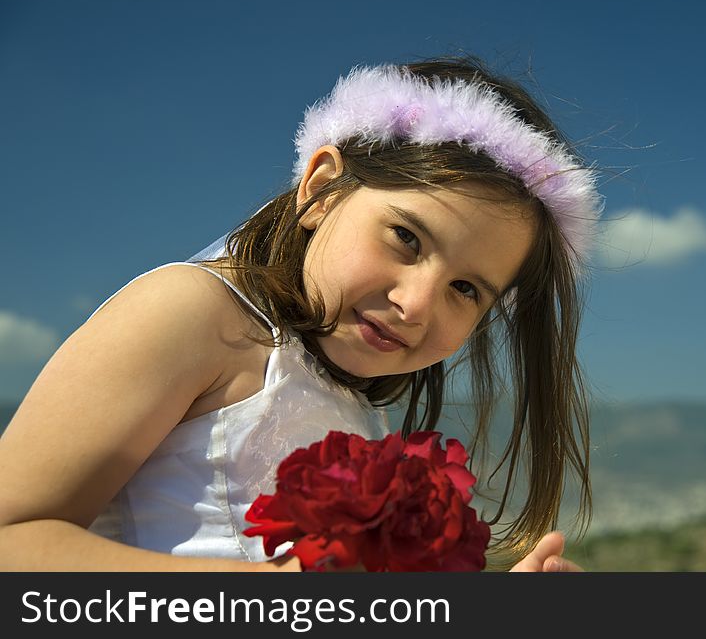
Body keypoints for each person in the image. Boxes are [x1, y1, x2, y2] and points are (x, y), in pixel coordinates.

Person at [0, 56, 602, 572]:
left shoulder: (358, 409)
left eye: (466, 289)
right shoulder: (191, 315)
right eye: (406, 239)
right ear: (320, 188)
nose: (416, 303)